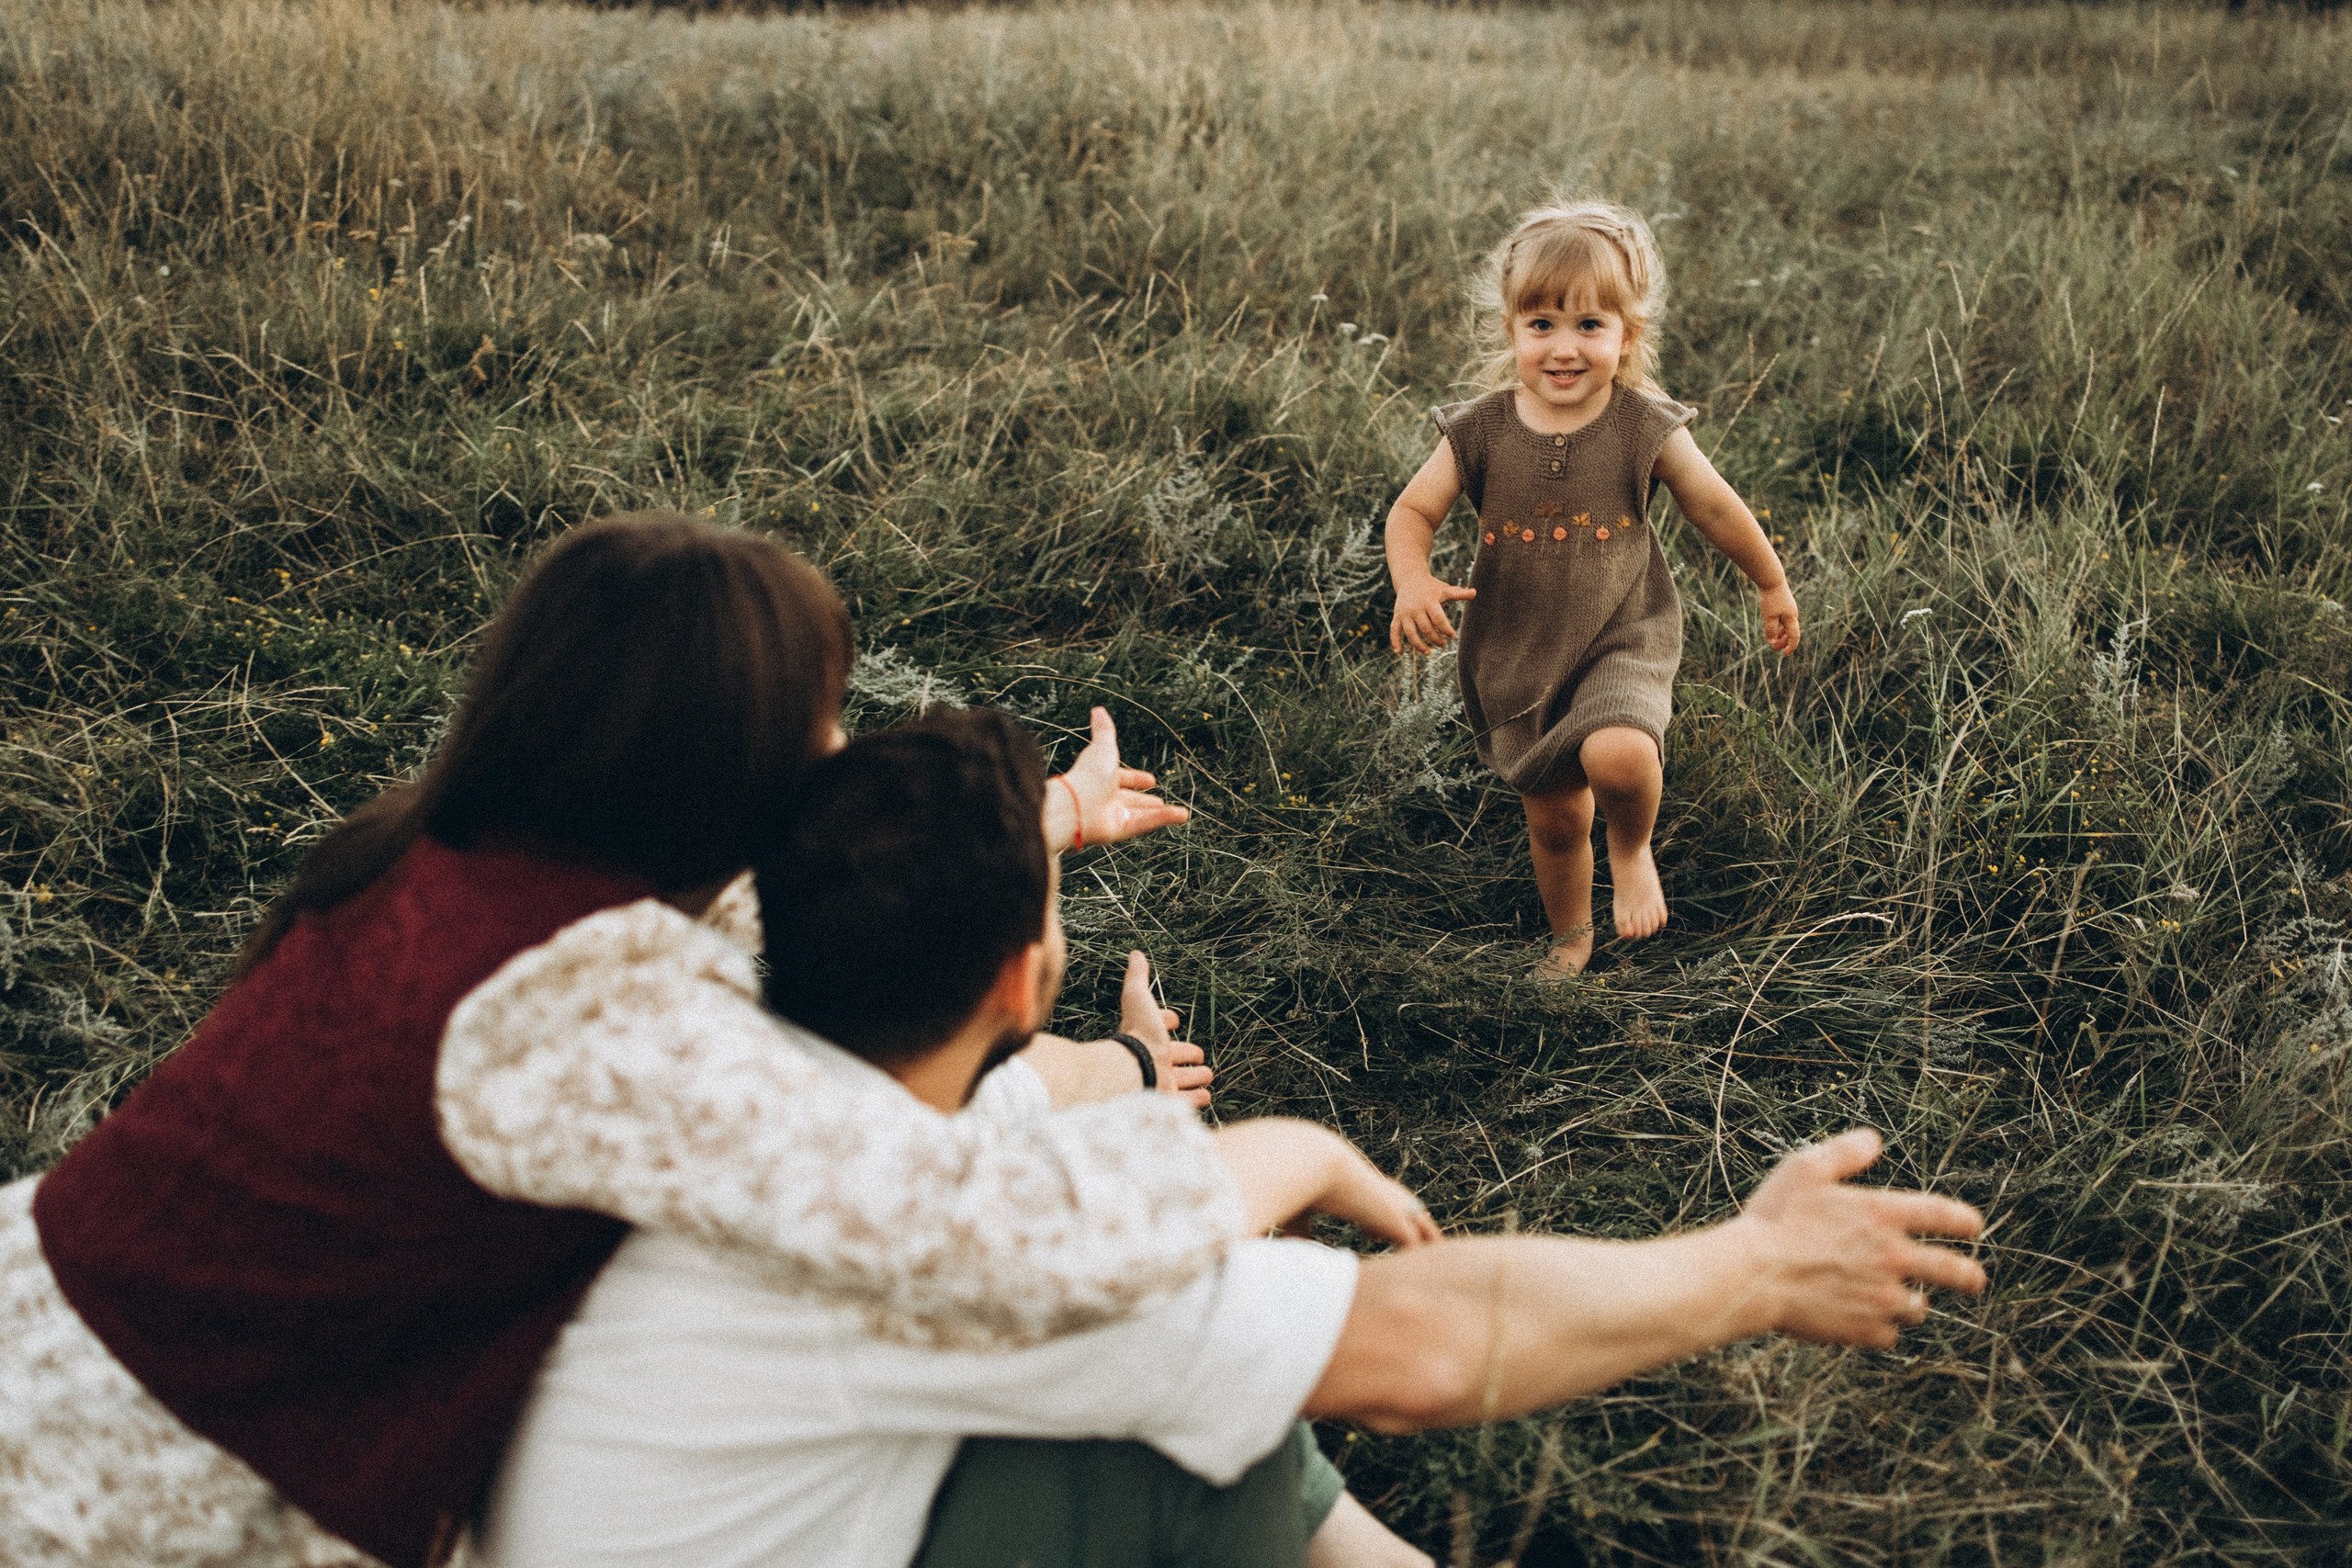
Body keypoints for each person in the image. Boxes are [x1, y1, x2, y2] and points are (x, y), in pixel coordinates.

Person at [0, 515, 1305, 1568]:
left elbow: (758, 891)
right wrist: (1238, 1163)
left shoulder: (443, 845)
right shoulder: (603, 1014)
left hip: (53, 1310)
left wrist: (1047, 820)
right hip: (132, 1474)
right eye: (825, 724)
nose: (840, 752)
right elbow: (933, 1213)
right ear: (716, 767)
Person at [476, 709, 1986, 1568]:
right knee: (1211, 1445)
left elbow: (1045, 1085)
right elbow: (1421, 1351)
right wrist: (1754, 1264)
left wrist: (1203, 1096)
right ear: (1018, 974)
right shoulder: (986, 1262)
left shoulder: (737, 1091)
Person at [1385, 199, 1803, 977]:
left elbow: (1713, 504)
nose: (1564, 348)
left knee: (1616, 754)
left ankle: (1633, 846)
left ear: (1627, 335)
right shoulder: (1480, 429)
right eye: (1541, 324)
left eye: (1590, 325)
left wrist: (1771, 581)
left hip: (1622, 630)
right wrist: (1413, 578)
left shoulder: (1644, 426)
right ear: (1511, 330)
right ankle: (1570, 934)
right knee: (1553, 819)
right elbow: (1414, 509)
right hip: (1518, 650)